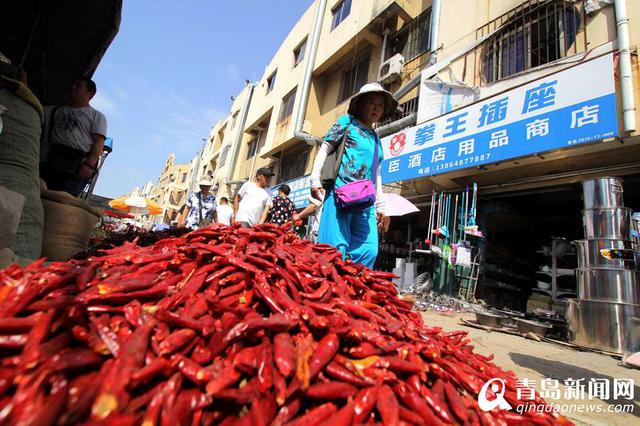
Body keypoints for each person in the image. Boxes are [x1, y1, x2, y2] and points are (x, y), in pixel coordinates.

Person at [309, 83, 396, 268]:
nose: (376, 108)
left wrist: (382, 206)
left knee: (369, 250)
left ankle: (352, 289)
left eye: (380, 105)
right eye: (371, 102)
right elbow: (325, 148)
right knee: (334, 249)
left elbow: (377, 172)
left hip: (365, 200)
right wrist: (314, 179)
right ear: (361, 104)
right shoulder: (346, 123)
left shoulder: (376, 137)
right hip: (340, 195)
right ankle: (332, 289)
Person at [41, 77, 108, 197]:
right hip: (51, 162)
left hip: (76, 167)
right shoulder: (53, 111)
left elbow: (99, 143)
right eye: (72, 84)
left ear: (90, 94)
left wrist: (89, 165)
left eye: (78, 85)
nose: (73, 87)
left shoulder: (96, 116)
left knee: (63, 202)